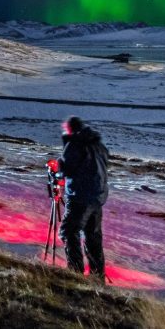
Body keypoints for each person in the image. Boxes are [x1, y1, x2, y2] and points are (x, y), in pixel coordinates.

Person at [57, 116, 109, 280]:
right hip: (98, 197)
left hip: (80, 197)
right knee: (93, 237)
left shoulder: (75, 144)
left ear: (69, 129)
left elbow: (67, 169)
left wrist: (59, 167)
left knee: (69, 232)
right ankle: (97, 277)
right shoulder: (99, 145)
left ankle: (75, 275)